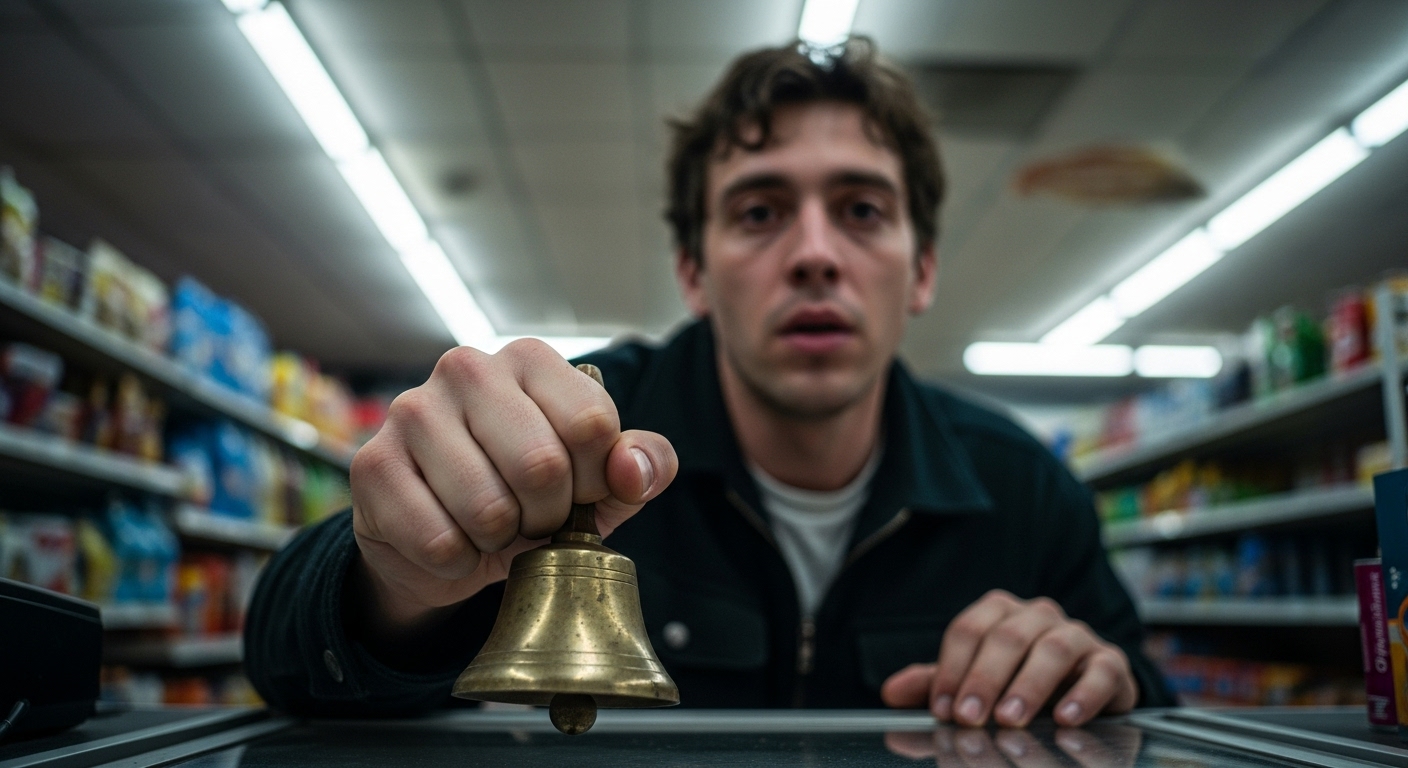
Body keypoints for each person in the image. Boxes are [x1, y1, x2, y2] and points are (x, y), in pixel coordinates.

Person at [245, 38, 1175, 727]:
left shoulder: (1026, 489)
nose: (814, 255)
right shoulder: (569, 436)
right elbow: (282, 657)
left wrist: (1094, 678)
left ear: (921, 268)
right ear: (694, 272)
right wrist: (390, 580)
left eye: (860, 210)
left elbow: (1153, 708)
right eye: (761, 210)